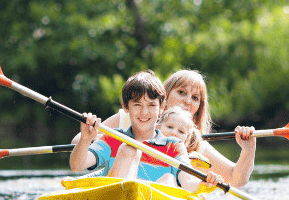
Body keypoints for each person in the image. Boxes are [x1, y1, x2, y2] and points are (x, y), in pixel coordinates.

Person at [69, 71, 222, 192]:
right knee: (129, 149)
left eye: (151, 105)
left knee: (169, 178)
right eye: (137, 105)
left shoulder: (174, 146)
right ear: (126, 106)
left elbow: (188, 181)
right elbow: (77, 165)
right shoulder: (113, 138)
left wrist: (205, 181)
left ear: (161, 108)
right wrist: (85, 139)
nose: (144, 112)